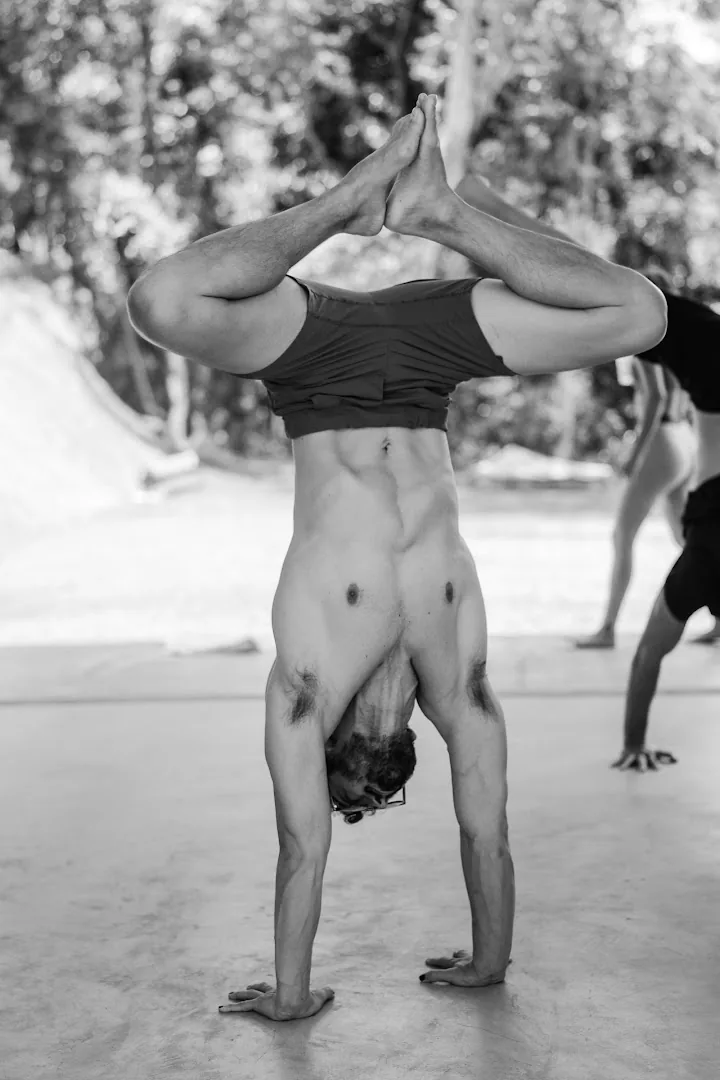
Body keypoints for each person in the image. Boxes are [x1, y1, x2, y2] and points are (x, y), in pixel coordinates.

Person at [127, 93, 666, 1020]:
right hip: (426, 366)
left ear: (346, 736)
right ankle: (442, 212)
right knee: (641, 314)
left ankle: (347, 202)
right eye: (390, 749)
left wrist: (293, 994)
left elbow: (305, 848)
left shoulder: (308, 683)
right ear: (408, 728)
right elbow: (484, 828)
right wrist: (490, 963)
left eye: (361, 752)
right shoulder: (455, 674)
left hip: (312, 366)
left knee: (159, 302)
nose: (379, 736)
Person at [611, 282, 720, 772]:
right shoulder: (697, 570)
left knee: (630, 296)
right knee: (627, 295)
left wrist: (635, 744)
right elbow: (647, 657)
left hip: (705, 501)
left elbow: (647, 656)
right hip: (704, 499)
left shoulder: (699, 569)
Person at [574, 350, 698, 649]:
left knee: (622, 535)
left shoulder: (644, 344)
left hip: (663, 442)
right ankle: (718, 618)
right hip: (683, 438)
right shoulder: (674, 341)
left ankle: (607, 629)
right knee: (687, 537)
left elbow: (657, 397)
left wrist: (636, 454)